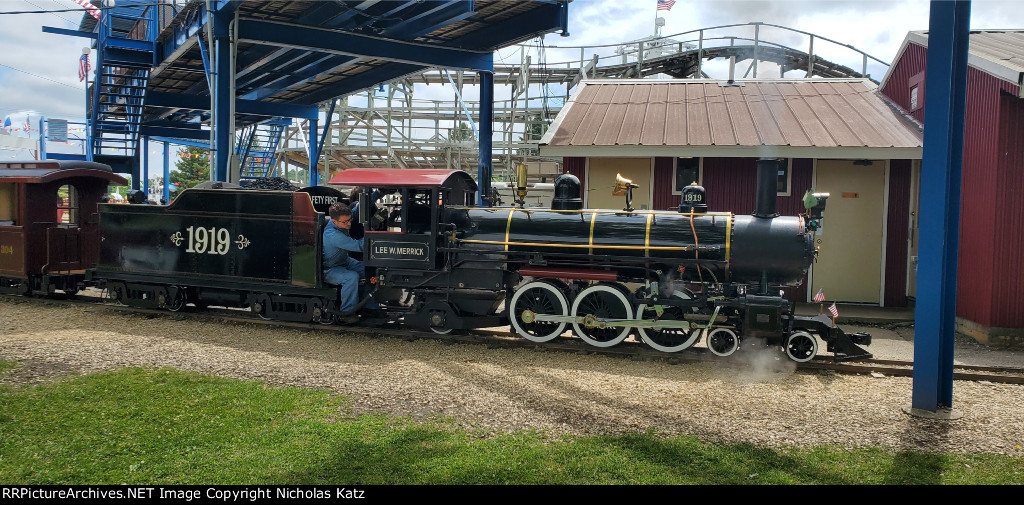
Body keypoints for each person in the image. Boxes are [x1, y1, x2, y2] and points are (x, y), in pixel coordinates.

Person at [323, 202, 368, 322]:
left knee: (368, 269)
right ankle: (346, 313)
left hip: (344, 261)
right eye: (345, 222)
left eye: (350, 220)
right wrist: (373, 235)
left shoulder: (343, 219)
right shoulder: (333, 235)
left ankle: (370, 307)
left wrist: (377, 194)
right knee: (351, 277)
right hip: (329, 269)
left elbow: (356, 210)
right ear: (334, 221)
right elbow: (359, 246)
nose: (349, 223)